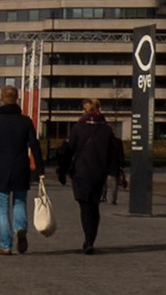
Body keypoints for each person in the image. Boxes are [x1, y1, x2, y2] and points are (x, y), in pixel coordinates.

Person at [55, 99, 122, 256]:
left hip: (81, 173)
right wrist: (115, 172)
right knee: (94, 206)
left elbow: (69, 151)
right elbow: (114, 153)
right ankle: (91, 240)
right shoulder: (106, 130)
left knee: (85, 207)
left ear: (85, 111)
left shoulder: (78, 128)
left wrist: (62, 171)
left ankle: (88, 240)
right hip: (99, 173)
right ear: (99, 110)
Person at [0, 85, 42, 256]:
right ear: (17, 99)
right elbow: (34, 146)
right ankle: (20, 229)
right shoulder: (25, 121)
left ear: (1, 99)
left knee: (2, 208)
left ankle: (5, 245)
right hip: (21, 167)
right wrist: (40, 168)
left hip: (1, 169)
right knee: (20, 201)